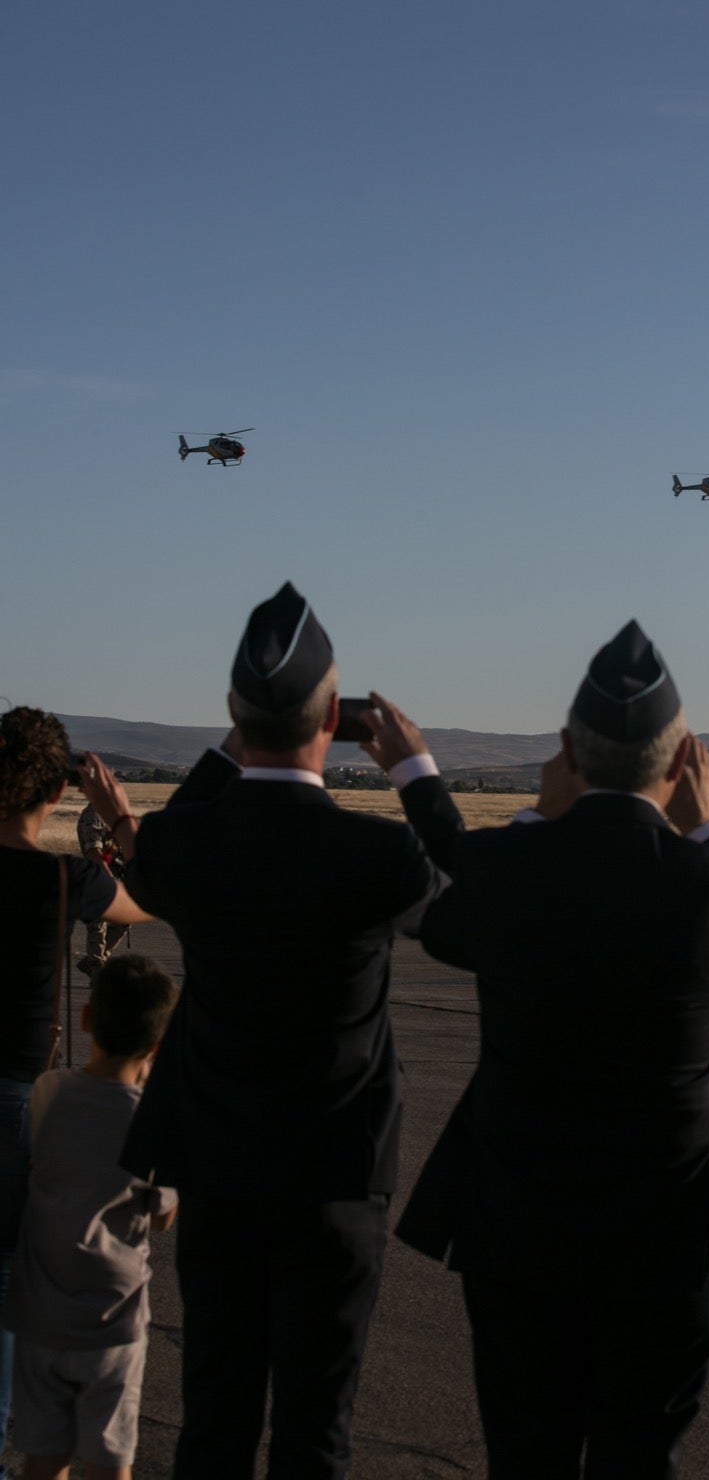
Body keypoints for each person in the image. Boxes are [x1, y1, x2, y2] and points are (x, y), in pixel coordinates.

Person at [396, 619, 709, 1480]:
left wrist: (516, 813)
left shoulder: (508, 871)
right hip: (665, 1244)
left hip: (517, 1233)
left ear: (566, 753)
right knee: (639, 1460)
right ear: (684, 758)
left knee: (525, 1456)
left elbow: (453, 900)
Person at [80, 582, 462, 1480]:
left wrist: (236, 742)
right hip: (334, 1174)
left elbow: (163, 834)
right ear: (336, 718)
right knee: (314, 1430)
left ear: (231, 716)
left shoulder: (184, 848)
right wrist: (414, 771)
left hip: (215, 1166)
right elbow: (473, 914)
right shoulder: (378, 854)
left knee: (213, 1419)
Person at [0, 709, 152, 1480]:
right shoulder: (66, 878)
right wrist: (118, 818)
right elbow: (155, 897)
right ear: (56, 792)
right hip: (15, 1098)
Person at [6, 954, 178, 1480]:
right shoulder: (153, 1122)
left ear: (86, 1019)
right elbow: (163, 1215)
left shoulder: (48, 1092)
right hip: (113, 1322)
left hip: (40, 1316)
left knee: (44, 1459)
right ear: (156, 1046)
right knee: (109, 1462)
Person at [75, 802, 128, 979]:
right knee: (98, 927)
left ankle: (93, 961)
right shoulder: (94, 814)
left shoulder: (110, 815)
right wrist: (109, 880)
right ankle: (97, 969)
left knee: (122, 922)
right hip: (97, 878)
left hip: (113, 876)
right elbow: (94, 852)